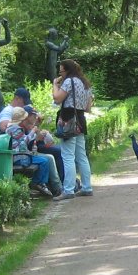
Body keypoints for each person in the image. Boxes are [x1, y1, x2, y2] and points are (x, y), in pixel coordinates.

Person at [51, 58, 94, 198]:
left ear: (68, 70)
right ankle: (87, 187)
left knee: (68, 156)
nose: (60, 74)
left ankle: (68, 190)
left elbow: (57, 98)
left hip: (68, 119)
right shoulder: (85, 83)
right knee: (82, 156)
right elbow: (88, 108)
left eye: (61, 72)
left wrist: (55, 84)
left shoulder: (69, 81)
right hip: (80, 119)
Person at [7, 109, 56, 198]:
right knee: (44, 161)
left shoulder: (11, 128)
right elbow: (24, 142)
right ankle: (38, 183)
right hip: (20, 158)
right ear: (22, 120)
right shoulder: (16, 129)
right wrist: (33, 131)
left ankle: (39, 184)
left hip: (17, 156)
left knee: (44, 160)